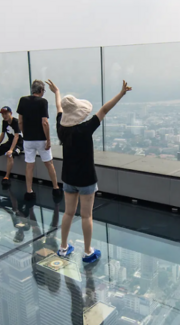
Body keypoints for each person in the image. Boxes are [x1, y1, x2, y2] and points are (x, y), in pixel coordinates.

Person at [50, 79, 131, 264]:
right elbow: (104, 110)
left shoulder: (60, 128)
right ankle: (87, 252)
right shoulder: (85, 129)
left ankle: (63, 248)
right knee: (86, 215)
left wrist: (56, 92)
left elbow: (58, 108)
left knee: (68, 213)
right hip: (86, 178)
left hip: (68, 177)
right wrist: (121, 94)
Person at [16, 80, 61, 200]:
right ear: (41, 91)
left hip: (28, 139)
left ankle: (29, 191)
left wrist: (25, 134)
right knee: (49, 163)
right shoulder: (43, 102)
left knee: (29, 165)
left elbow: (20, 121)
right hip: (41, 139)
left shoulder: (23, 100)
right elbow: (44, 122)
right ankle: (56, 188)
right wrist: (48, 140)